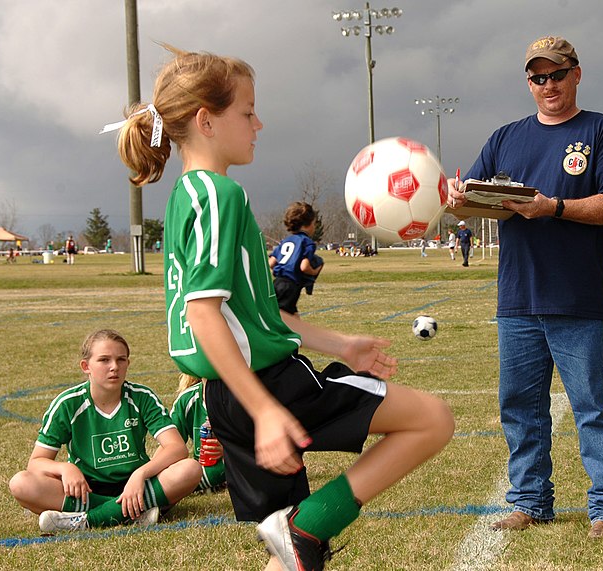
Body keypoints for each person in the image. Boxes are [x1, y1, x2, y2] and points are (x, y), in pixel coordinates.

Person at [111, 45, 453, 571]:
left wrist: (342, 345)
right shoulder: (218, 196)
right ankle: (308, 524)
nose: (259, 123)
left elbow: (254, 313)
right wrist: (267, 410)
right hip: (266, 386)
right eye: (247, 112)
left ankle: (299, 531)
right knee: (432, 420)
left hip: (227, 395)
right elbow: (203, 316)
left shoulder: (187, 195)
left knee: (291, 558)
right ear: (206, 120)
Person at [448, 35, 603, 538]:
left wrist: (552, 206)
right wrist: (455, 198)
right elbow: (472, 203)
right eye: (537, 76)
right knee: (519, 408)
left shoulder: (602, 131)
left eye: (556, 73)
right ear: (527, 82)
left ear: (576, 73)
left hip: (578, 298)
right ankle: (530, 500)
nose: (547, 84)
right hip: (517, 300)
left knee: (592, 408)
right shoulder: (506, 137)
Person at [8, 329, 201, 532]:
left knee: (190, 469)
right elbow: (36, 463)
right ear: (86, 366)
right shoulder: (67, 404)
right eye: (104, 360)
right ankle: (132, 512)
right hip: (87, 490)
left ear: (128, 363)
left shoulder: (141, 397)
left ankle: (87, 520)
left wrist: (140, 474)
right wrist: (65, 469)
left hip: (137, 486)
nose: (114, 367)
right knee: (21, 483)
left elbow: (177, 447)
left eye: (121, 359)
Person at [170, 374, 226, 492]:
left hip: (235, 464)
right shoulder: (187, 399)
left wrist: (228, 449)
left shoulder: (242, 396)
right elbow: (170, 447)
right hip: (201, 468)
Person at [268, 201, 325, 315]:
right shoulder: (307, 242)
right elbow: (304, 267)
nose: (314, 227)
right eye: (313, 223)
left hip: (277, 283)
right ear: (306, 225)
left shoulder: (285, 241)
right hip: (291, 286)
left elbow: (271, 263)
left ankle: (302, 333)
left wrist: (282, 268)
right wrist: (314, 271)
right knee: (285, 319)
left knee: (291, 315)